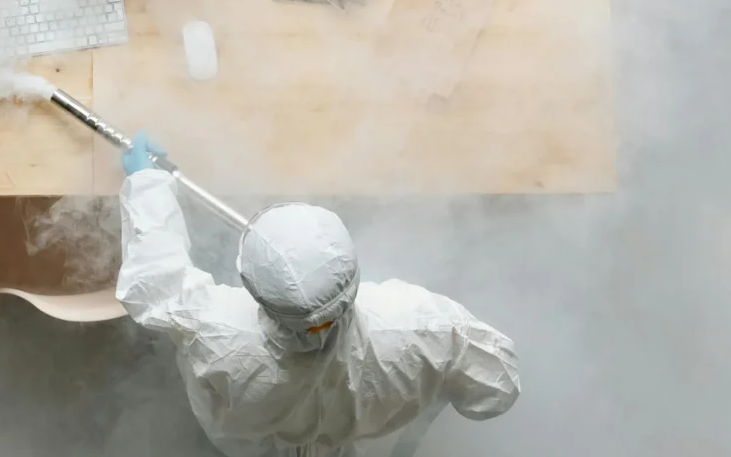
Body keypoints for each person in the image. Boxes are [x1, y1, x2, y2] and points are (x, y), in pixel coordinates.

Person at [115, 133, 520, 457]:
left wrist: (146, 183)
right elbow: (496, 391)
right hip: (368, 442)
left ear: (251, 288)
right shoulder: (421, 323)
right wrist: (429, 378)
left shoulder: (215, 330)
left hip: (248, 445)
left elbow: (156, 282)